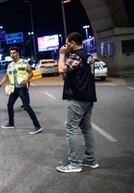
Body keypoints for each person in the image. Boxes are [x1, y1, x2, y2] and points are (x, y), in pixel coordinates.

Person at [56, 32, 99, 173]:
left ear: (72, 43)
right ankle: (90, 160)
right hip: (89, 97)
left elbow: (62, 69)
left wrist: (62, 54)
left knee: (71, 128)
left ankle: (73, 164)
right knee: (87, 129)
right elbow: (70, 74)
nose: (66, 46)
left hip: (77, 98)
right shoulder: (89, 56)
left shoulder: (76, 55)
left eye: (67, 43)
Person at [0, 46, 43, 134]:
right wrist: (0, 85)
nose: (12, 55)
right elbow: (6, 76)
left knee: (26, 107)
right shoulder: (10, 65)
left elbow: (31, 73)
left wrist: (26, 79)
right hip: (14, 89)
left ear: (18, 53)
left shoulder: (24, 62)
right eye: (11, 53)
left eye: (14, 53)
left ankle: (37, 126)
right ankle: (11, 123)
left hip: (22, 89)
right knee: (9, 105)